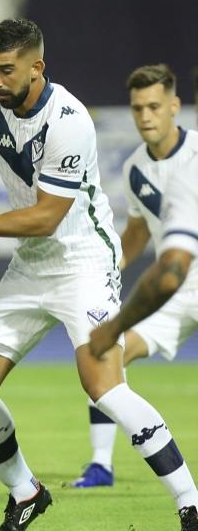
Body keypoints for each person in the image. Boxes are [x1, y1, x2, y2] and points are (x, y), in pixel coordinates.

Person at [0, 19, 198, 531]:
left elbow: (47, 217)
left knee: (103, 386)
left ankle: (189, 504)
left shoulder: (69, 119)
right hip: (32, 264)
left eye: (5, 69)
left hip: (84, 260)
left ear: (37, 67)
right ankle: (25, 492)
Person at [73, 65, 198, 488]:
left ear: (174, 107)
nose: (146, 116)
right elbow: (138, 233)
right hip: (175, 294)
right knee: (104, 356)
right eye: (138, 108)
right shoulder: (135, 171)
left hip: (177, 278)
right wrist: (107, 268)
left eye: (155, 107)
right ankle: (101, 464)